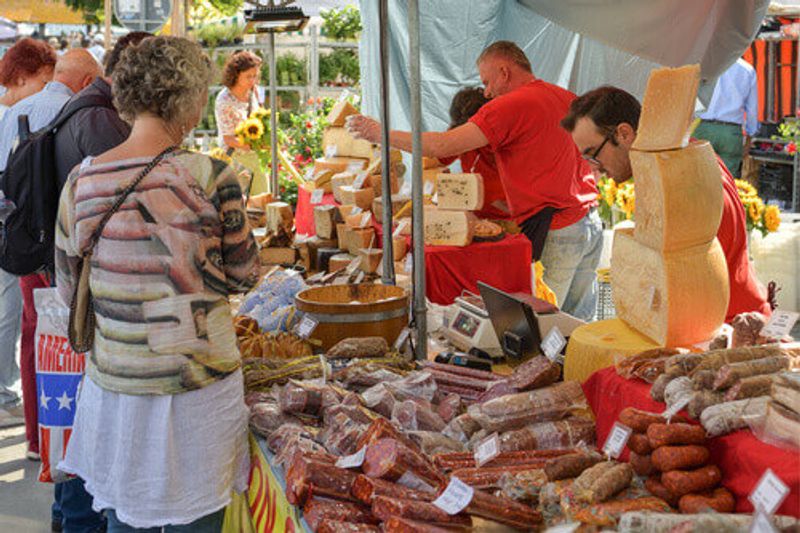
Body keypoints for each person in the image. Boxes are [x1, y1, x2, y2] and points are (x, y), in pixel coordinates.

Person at [55, 36, 259, 532]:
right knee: (199, 521)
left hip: (118, 386)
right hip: (197, 387)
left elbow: (68, 290)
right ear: (189, 100)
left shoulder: (82, 181)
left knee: (125, 519)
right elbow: (243, 275)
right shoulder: (211, 176)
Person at [348, 41, 601, 320]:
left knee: (544, 324)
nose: (487, 92)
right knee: (578, 328)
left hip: (557, 230)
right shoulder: (565, 97)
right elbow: (594, 160)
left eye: (488, 81)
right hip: (590, 224)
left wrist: (378, 132)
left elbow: (442, 146)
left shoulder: (507, 106)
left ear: (504, 71)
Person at [48, 31, 151, 533]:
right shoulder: (104, 123)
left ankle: (72, 517)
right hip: (110, 315)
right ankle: (80, 518)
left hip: (90, 305)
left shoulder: (85, 110)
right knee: (99, 424)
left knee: (88, 419)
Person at [561, 85, 771, 321]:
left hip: (726, 324)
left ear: (624, 133)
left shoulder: (676, 173)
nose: (592, 166)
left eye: (593, 153)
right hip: (729, 314)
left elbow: (686, 279)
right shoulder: (679, 155)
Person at [0, 48, 101, 461]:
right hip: (67, 248)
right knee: (73, 339)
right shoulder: (84, 114)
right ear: (84, 82)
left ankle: (36, 439)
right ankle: (68, 444)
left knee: (32, 333)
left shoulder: (14, 111)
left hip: (24, 241)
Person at [0, 38, 57, 428]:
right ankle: (3, 394)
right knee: (9, 312)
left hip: (10, 224)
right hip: (10, 227)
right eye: (44, 79)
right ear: (23, 76)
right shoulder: (11, 114)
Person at [440, 87, 508, 220]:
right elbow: (436, 158)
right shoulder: (461, 139)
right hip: (473, 217)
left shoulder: (506, 140)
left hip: (509, 219)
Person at [694, 58, 759, 178]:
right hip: (731, 133)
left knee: (698, 178)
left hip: (702, 127)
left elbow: (692, 97)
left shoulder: (703, 65)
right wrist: (749, 138)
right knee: (728, 181)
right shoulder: (748, 70)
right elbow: (752, 109)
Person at [214, 50, 262, 151]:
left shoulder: (253, 91)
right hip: (233, 157)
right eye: (248, 76)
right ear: (236, 75)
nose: (252, 81)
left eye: (255, 76)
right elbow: (228, 139)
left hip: (252, 154)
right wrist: (254, 146)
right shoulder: (224, 100)